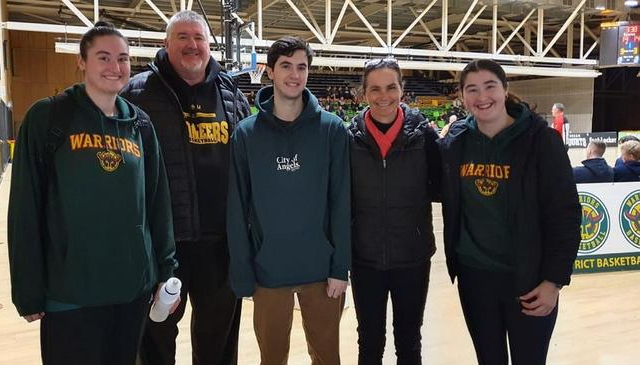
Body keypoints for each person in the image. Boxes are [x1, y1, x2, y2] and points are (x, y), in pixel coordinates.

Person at [7, 21, 178, 365]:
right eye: (103, 57)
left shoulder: (140, 126)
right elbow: (25, 207)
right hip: (71, 293)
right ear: (82, 62)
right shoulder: (49, 116)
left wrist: (166, 270)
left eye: (123, 59)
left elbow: (158, 206)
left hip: (130, 292)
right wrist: (28, 289)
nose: (115, 67)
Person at [120, 10, 250, 365]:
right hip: (163, 244)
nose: (193, 45)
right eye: (183, 37)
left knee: (219, 340)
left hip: (220, 244)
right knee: (156, 336)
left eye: (199, 38)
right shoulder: (137, 92)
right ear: (166, 44)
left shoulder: (232, 94)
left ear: (209, 45)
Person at [437, 59, 581, 365]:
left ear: (505, 89)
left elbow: (566, 215)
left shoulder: (542, 141)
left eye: (490, 86)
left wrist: (554, 281)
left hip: (528, 278)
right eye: (472, 89)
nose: (482, 96)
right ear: (462, 96)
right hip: (475, 278)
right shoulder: (455, 143)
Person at [227, 36, 350, 365]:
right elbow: (237, 208)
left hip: (321, 272)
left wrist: (341, 267)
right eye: (286, 66)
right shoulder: (245, 134)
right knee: (272, 358)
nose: (294, 74)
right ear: (269, 71)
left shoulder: (332, 130)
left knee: (328, 358)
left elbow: (341, 202)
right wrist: (242, 271)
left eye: (302, 67)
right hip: (268, 271)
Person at [347, 58, 440, 364]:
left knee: (409, 339)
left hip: (412, 258)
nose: (383, 95)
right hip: (365, 259)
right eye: (374, 88)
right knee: (370, 341)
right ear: (363, 93)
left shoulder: (425, 137)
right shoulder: (349, 139)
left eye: (390, 87)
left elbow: (441, 188)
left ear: (402, 90)